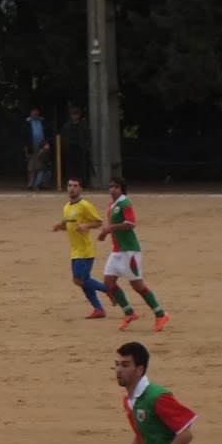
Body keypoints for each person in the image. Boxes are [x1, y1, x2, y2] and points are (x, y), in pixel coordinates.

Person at [97, 177, 169, 332]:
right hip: (117, 250)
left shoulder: (125, 204)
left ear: (122, 189)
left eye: (116, 187)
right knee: (108, 282)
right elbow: (114, 227)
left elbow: (131, 224)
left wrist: (110, 228)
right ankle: (129, 312)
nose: (112, 189)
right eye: (110, 187)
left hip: (129, 251)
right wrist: (105, 233)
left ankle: (161, 314)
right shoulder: (112, 205)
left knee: (137, 285)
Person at [52, 176, 107, 318]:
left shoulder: (85, 205)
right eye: (70, 185)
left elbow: (99, 222)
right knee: (83, 281)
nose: (72, 188)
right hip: (75, 249)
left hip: (85, 249)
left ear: (81, 189)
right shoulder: (67, 207)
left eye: (75, 186)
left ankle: (109, 290)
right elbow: (67, 225)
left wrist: (86, 225)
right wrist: (59, 226)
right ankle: (99, 309)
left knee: (78, 280)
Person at [59, 107, 92, 185]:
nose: (75, 116)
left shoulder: (83, 125)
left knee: (82, 168)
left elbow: (88, 136)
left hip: (81, 150)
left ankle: (82, 184)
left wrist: (86, 145)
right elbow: (62, 138)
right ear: (70, 115)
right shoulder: (66, 126)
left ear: (79, 115)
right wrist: (66, 148)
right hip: (70, 150)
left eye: (76, 114)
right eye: (73, 114)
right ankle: (71, 183)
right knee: (71, 168)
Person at [22, 108, 49, 188]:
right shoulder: (26, 123)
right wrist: (25, 146)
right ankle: (31, 183)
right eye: (33, 111)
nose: (35, 113)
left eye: (36, 111)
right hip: (31, 147)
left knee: (43, 166)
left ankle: (43, 184)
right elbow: (23, 135)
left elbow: (48, 133)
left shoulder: (44, 122)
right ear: (30, 112)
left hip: (43, 146)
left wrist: (47, 143)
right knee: (31, 166)